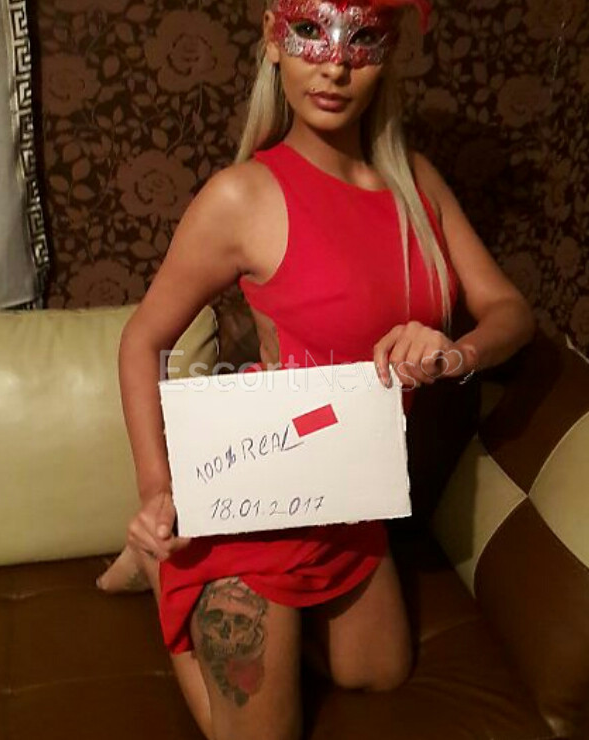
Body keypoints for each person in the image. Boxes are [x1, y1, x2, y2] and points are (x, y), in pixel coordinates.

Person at [97, 1, 535, 738]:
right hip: (256, 493)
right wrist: (157, 489)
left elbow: (510, 313)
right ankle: (177, 570)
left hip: (350, 496)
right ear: (274, 40)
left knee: (381, 671)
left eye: (361, 40)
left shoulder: (416, 183)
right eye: (311, 33)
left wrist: (454, 353)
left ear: (388, 55)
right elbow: (142, 339)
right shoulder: (241, 195)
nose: (334, 65)